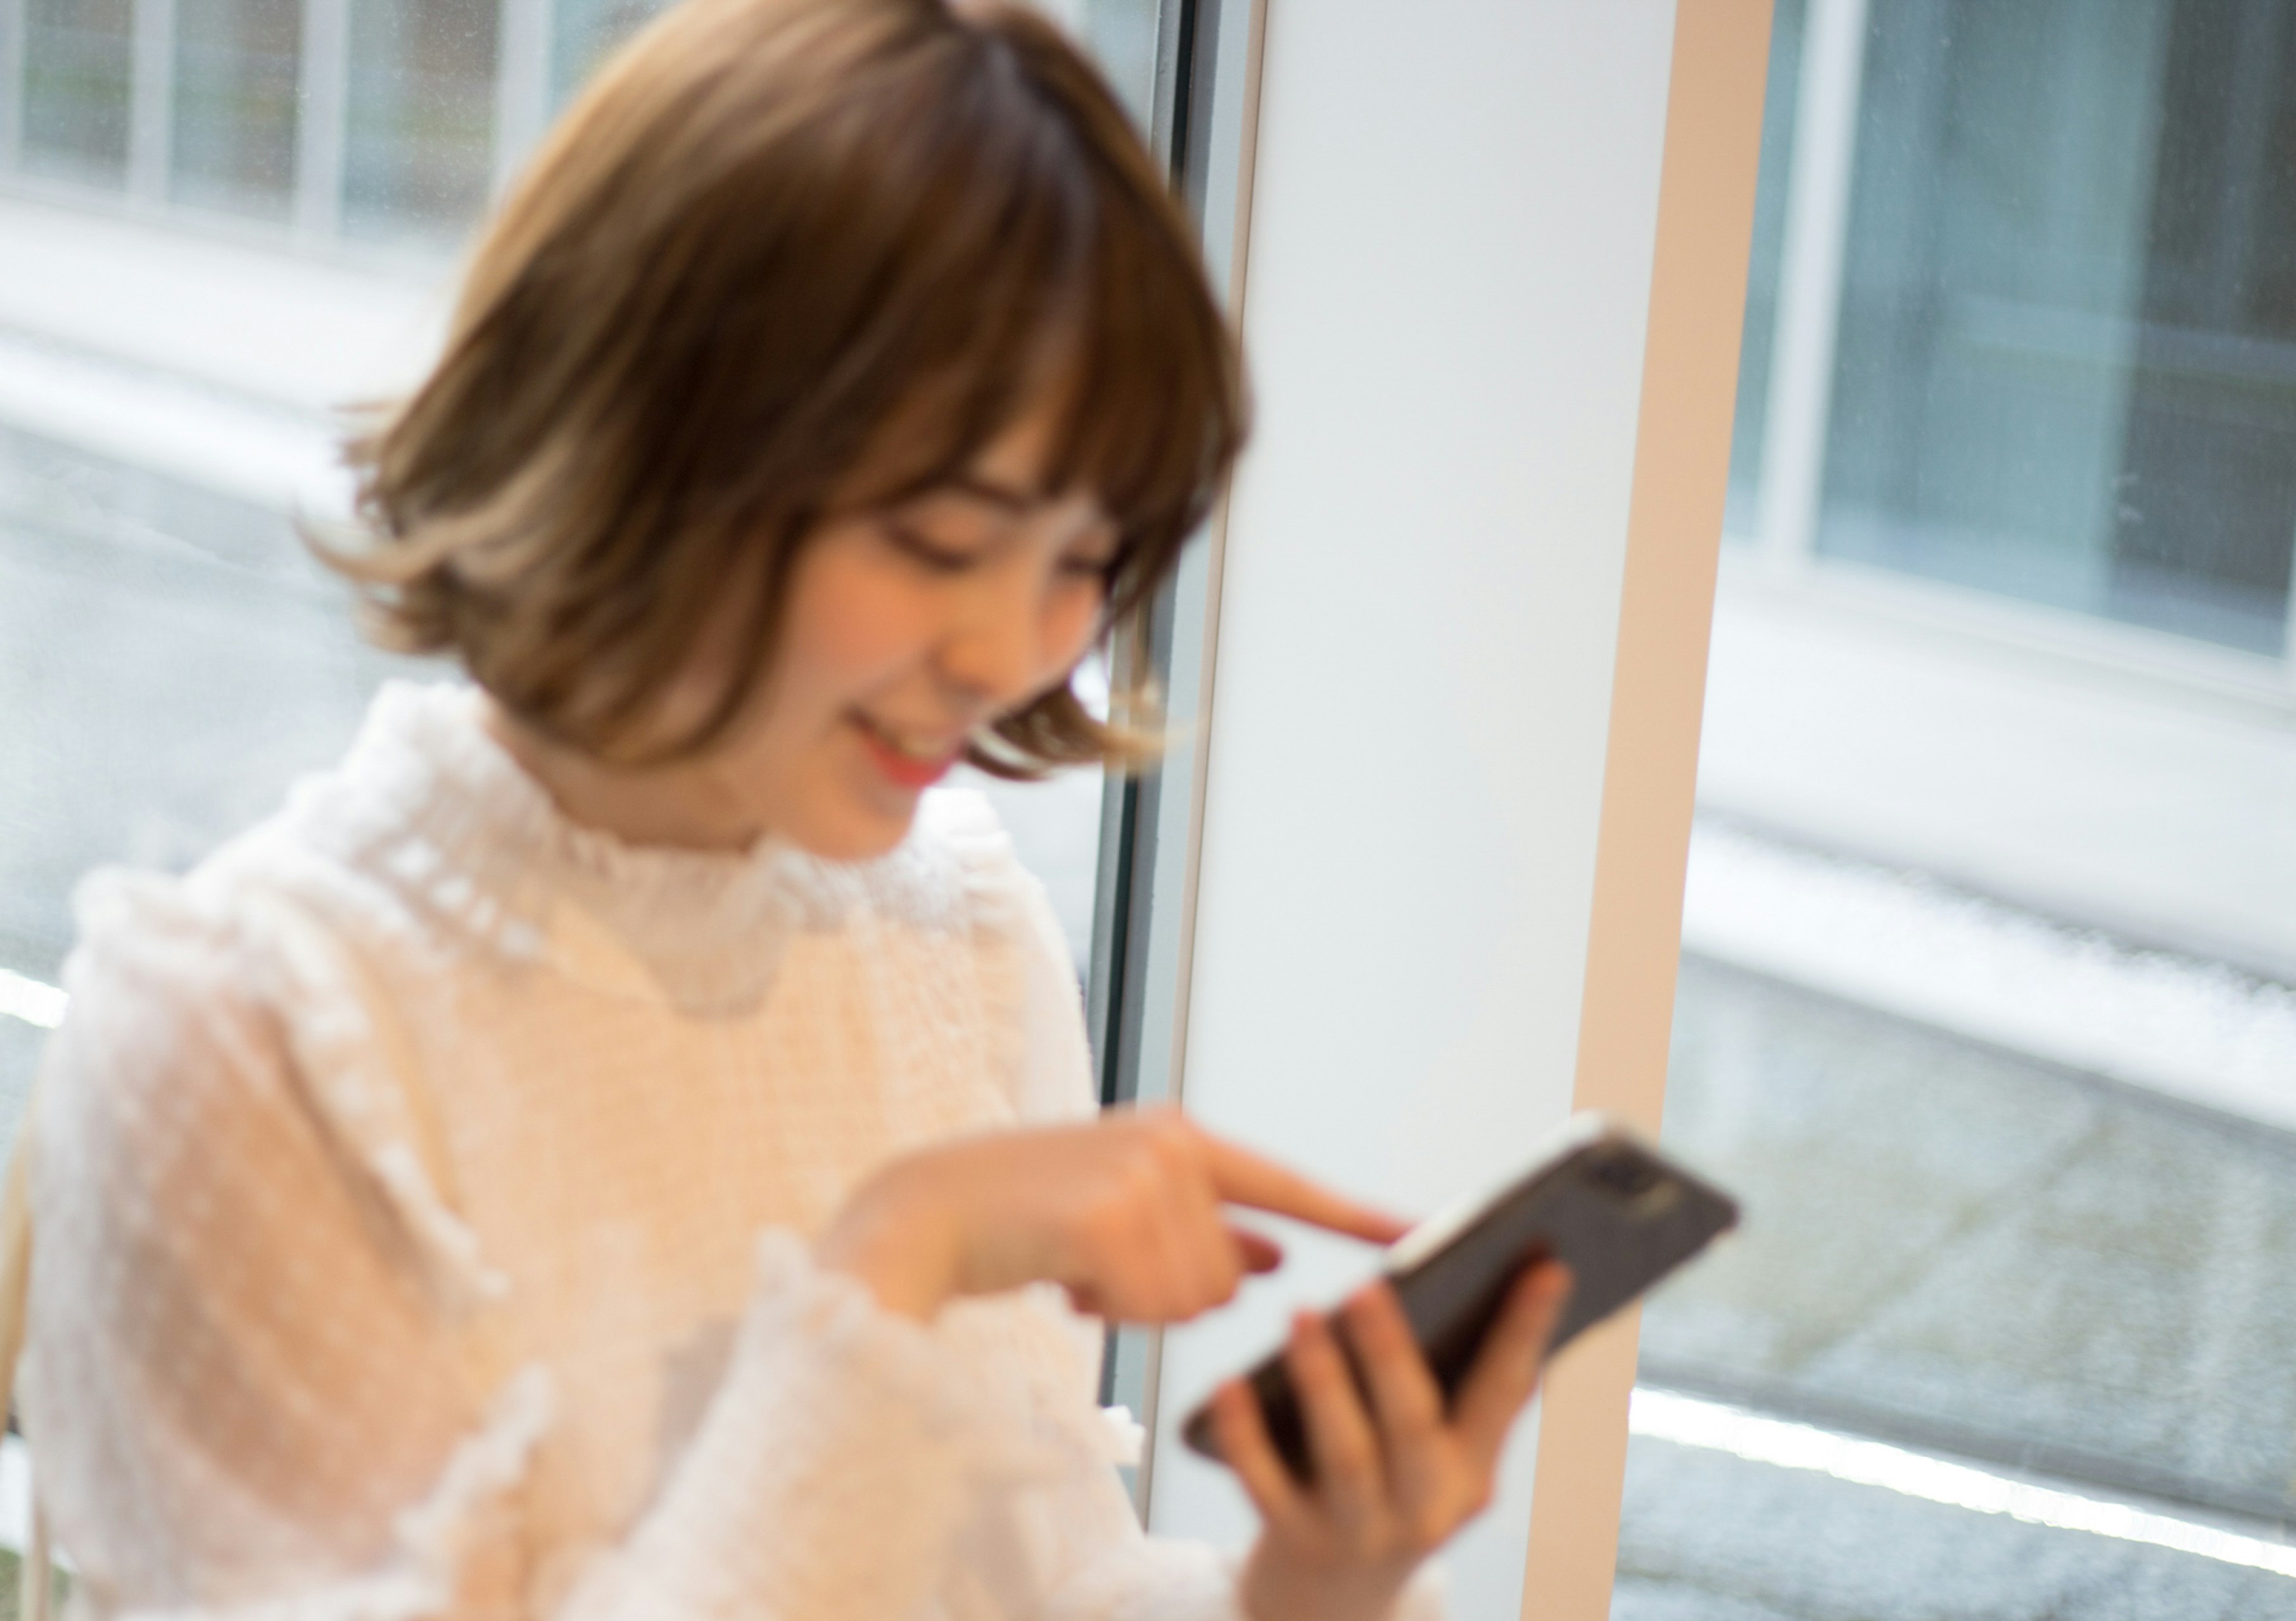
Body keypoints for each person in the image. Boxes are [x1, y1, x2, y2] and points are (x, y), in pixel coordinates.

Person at [16, 0, 1571, 1616]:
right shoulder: (251, 1028)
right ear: (659, 437)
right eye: (943, 540)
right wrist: (887, 1266)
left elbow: (1034, 1584)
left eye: (1082, 559)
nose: (1014, 649)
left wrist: (1313, 1584)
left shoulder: (957, 938)